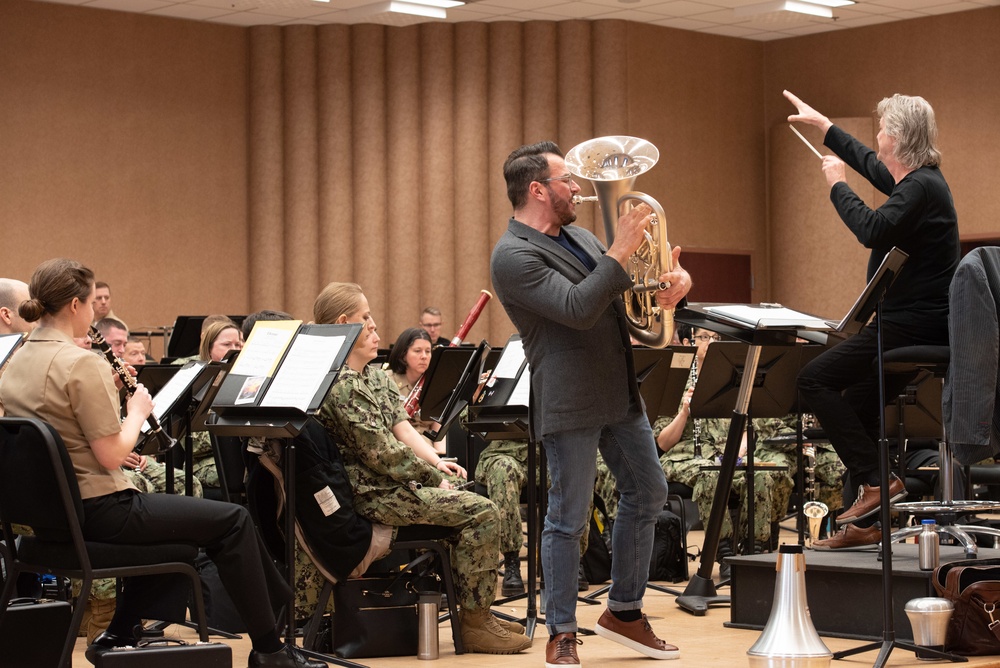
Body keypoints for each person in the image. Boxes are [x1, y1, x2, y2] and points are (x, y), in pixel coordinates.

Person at [0, 258, 323, 668]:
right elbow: (112, 455)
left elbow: (62, 425)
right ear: (77, 306)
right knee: (234, 519)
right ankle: (271, 651)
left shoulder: (15, 362)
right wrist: (136, 410)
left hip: (53, 519)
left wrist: (110, 393)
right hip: (100, 510)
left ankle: (117, 634)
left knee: (181, 544)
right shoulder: (82, 363)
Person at [490, 141, 691, 665]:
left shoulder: (578, 235)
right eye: (566, 180)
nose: (578, 188)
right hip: (570, 397)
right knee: (568, 517)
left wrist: (669, 287)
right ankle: (561, 631)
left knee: (649, 490)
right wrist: (620, 251)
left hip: (617, 390)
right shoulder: (513, 255)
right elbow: (577, 308)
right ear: (537, 189)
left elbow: (618, 300)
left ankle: (623, 612)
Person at [312, 282, 531, 655]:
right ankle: (475, 623)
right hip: (375, 495)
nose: (374, 325)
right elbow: (383, 456)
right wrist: (433, 478)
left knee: (469, 497)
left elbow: (401, 428)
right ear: (344, 322)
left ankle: (476, 610)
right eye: (366, 318)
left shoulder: (370, 376)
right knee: (483, 512)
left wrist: (437, 462)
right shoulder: (342, 386)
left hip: (390, 486)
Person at [785, 90, 959, 549]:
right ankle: (867, 523)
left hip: (910, 323)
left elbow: (872, 230)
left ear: (896, 138)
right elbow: (872, 165)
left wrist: (836, 184)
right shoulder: (920, 181)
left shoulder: (921, 187)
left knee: (813, 381)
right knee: (858, 407)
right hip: (910, 320)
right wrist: (825, 127)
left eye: (881, 129)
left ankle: (878, 483)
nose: (876, 136)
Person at [644, 324, 793, 578]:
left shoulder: (730, 380)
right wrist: (683, 413)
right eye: (704, 337)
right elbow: (663, 442)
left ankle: (753, 549)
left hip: (727, 454)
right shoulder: (677, 381)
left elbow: (748, 428)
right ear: (691, 341)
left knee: (759, 474)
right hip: (685, 456)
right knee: (711, 475)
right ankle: (723, 551)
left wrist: (741, 452)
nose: (711, 342)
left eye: (715, 337)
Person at [384, 327, 447, 455]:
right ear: (403, 354)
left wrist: (440, 455)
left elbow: (437, 426)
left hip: (429, 449)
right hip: (398, 448)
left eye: (428, 351)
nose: (424, 356)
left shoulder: (434, 383)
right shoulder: (386, 380)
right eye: (417, 351)